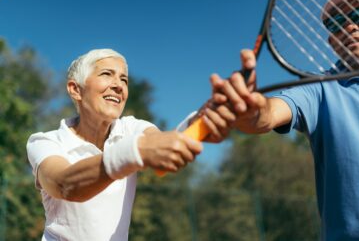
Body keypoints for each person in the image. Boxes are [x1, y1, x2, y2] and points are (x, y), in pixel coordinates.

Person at [26, 48, 234, 241]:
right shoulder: (44, 142)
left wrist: (203, 119)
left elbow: (162, 151)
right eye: (107, 74)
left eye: (124, 79)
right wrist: (134, 151)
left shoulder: (133, 128)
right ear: (75, 89)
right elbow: (64, 184)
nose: (119, 85)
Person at [210, 0, 359, 240]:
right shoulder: (319, 89)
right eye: (336, 24)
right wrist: (251, 111)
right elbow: (268, 113)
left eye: (357, 15)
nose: (350, 27)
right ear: (332, 42)